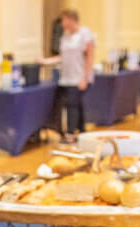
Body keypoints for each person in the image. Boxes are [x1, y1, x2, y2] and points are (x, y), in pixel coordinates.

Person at [41, 9, 94, 142]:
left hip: (79, 77)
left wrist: (85, 78)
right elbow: (62, 57)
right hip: (66, 78)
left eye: (64, 20)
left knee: (72, 105)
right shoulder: (65, 36)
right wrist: (45, 61)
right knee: (76, 104)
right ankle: (82, 133)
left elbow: (90, 57)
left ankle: (70, 134)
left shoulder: (84, 34)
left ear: (71, 19)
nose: (62, 23)